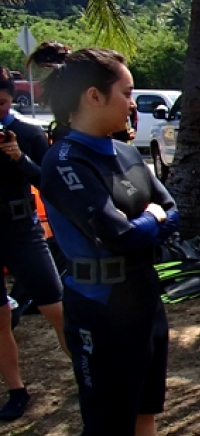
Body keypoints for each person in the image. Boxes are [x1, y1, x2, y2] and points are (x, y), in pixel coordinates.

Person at [33, 47, 179, 436]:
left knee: (145, 411)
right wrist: (151, 218)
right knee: (109, 423)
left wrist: (147, 221)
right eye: (126, 93)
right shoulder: (65, 161)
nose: (132, 104)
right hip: (99, 306)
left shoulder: (126, 152)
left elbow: (172, 211)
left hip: (143, 294)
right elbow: (117, 235)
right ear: (94, 96)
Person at [0, 68, 68, 421]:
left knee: (55, 307)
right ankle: (16, 390)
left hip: (21, 230)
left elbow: (50, 182)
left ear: (12, 100)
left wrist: (19, 158)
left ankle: (89, 372)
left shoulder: (27, 132)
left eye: (1, 103)